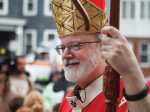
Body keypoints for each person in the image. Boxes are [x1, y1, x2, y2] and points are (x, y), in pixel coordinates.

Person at [50, 0, 150, 112]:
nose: (65, 55)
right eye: (62, 48)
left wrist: (131, 72)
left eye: (76, 45)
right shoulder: (68, 100)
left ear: (102, 45)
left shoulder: (133, 92)